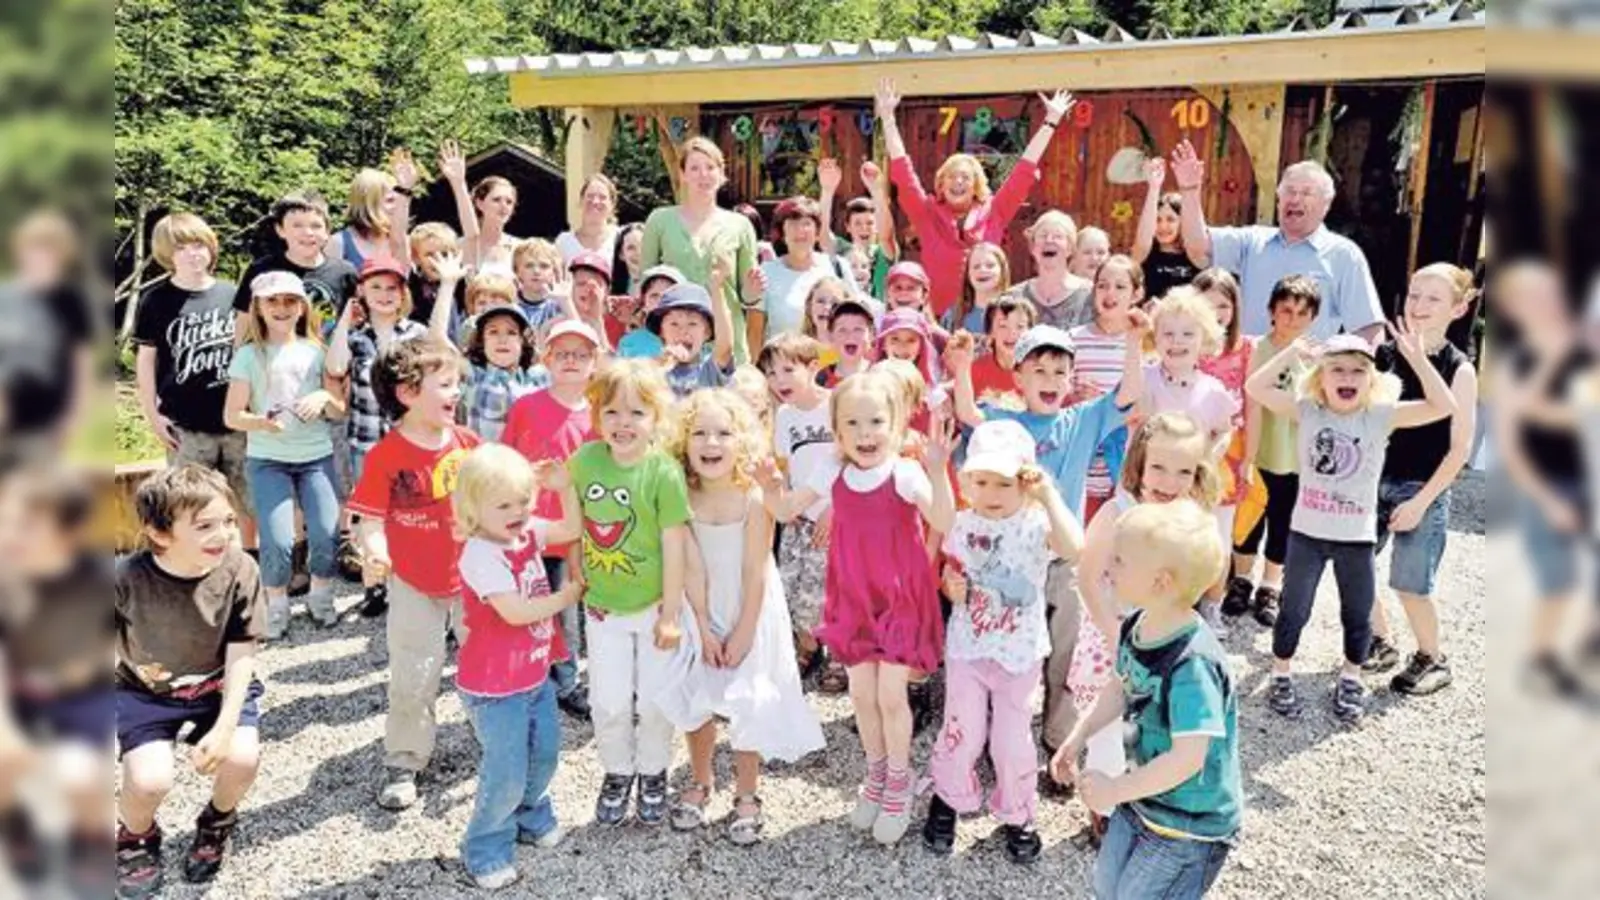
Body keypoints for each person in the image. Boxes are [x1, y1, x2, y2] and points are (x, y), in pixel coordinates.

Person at [755, 370, 957, 846]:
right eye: (853, 423)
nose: (866, 434)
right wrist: (769, 486)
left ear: (896, 423)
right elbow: (785, 510)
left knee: (890, 696)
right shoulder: (832, 470)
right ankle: (877, 773)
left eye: (876, 422)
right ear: (837, 430)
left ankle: (900, 781)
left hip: (899, 599)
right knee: (861, 695)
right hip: (853, 598)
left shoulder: (904, 473)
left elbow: (943, 519)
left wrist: (937, 471)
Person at [948, 319, 1147, 782]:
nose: (1051, 380)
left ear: (1071, 378)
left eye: (1060, 372)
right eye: (1039, 371)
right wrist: (961, 367)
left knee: (1065, 651)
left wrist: (1135, 341)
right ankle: (997, 733)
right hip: (1013, 560)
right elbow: (969, 414)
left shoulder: (1081, 419)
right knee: (1004, 644)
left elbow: (1128, 394)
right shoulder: (1006, 423)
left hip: (1063, 559)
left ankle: (1058, 739)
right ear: (1018, 376)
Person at [1245, 327, 1457, 722]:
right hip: (1306, 534)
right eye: (1337, 369)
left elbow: (1443, 405)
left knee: (1358, 614)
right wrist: (1292, 352)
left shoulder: (1379, 416)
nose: (1347, 377)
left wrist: (1418, 360)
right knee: (1293, 610)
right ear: (1320, 378)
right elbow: (1255, 386)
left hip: (1356, 538)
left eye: (1358, 371)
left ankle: (1351, 676)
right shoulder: (1308, 410)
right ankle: (1280, 672)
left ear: (1371, 380)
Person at [1050, 500, 1241, 900]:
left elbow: (1187, 759)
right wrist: (1078, 736)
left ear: (1161, 582)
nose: (1108, 567)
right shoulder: (1137, 625)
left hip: (1186, 827)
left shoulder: (1192, 666)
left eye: (1120, 560)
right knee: (1107, 886)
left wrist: (1116, 790)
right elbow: (1121, 686)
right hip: (1141, 797)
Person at [659, 390, 825, 845]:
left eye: (724, 433)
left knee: (748, 697)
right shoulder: (679, 492)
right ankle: (701, 779)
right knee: (695, 694)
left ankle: (747, 790)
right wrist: (700, 624)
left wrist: (745, 629)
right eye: (699, 433)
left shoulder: (751, 497)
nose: (711, 442)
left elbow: (756, 569)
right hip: (697, 603)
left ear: (742, 441)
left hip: (748, 606)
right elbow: (685, 563)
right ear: (683, 440)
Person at [922, 420, 1082, 864]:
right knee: (963, 730)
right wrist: (950, 586)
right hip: (969, 648)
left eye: (1004, 483)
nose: (991, 493)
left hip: (1019, 654)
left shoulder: (1035, 524)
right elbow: (941, 528)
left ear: (1025, 482)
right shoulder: (963, 521)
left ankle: (1018, 810)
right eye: (981, 481)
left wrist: (1049, 495)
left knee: (1012, 741)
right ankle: (948, 796)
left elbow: (1075, 547)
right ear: (967, 481)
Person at [1067, 413, 1223, 842]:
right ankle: (1103, 812)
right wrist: (1113, 633)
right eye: (1158, 467)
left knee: (1152, 724)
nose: (1169, 482)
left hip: (1163, 638)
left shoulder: (1191, 520)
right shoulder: (1117, 512)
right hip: (1112, 634)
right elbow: (1087, 579)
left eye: (1183, 471)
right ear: (1139, 463)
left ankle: (1141, 799)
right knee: (1107, 728)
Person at [114, 467, 266, 898]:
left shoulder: (240, 569)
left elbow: (242, 652)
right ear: (159, 533)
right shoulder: (125, 580)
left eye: (229, 521)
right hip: (145, 693)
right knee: (149, 781)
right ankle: (135, 835)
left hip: (217, 688)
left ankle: (218, 820)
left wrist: (225, 727)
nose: (224, 534)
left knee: (242, 759)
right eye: (204, 526)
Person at [347, 337, 481, 810]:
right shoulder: (386, 456)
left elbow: (497, 489)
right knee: (413, 673)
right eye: (445, 384)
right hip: (412, 582)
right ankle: (405, 758)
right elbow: (370, 521)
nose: (456, 392)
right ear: (407, 393)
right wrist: (376, 553)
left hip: (472, 578)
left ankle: (496, 739)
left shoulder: (468, 443)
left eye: (457, 382)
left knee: (484, 664)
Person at [451, 444, 583, 889]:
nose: (517, 512)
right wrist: (565, 598)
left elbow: (570, 528)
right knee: (506, 769)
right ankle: (485, 848)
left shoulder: (525, 532)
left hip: (533, 676)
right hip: (493, 688)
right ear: (474, 508)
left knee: (544, 753)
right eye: (503, 505)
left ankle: (531, 816)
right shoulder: (480, 554)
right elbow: (516, 612)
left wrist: (565, 489)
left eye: (523, 501)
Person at [567, 361, 691, 827]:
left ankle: (654, 770)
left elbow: (674, 545)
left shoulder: (663, 471)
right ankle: (618, 769)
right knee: (609, 700)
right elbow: (572, 518)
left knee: (656, 700)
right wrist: (575, 569)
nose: (623, 423)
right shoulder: (585, 461)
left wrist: (671, 613)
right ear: (596, 415)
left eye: (637, 412)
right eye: (612, 412)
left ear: (656, 418)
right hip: (603, 607)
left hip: (655, 605)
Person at [1362, 264, 1479, 695]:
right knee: (1356, 567)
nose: (1420, 305)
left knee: (1411, 584)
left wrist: (1420, 502)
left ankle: (1432, 656)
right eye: (1415, 295)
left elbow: (1459, 450)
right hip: (1373, 480)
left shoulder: (1459, 369)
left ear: (1458, 309)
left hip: (1421, 487)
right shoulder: (1383, 356)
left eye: (1434, 298)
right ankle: (1380, 639)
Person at [0, 463, 115, 897]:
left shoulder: (97, 580)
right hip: (19, 692)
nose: (11, 533)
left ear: (69, 533)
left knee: (80, 776)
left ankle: (89, 839)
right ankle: (15, 824)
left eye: (26, 524)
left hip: (82, 698)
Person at [876, 76, 1075, 317]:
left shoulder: (994, 211)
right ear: (941, 185)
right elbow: (902, 170)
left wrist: (1050, 121)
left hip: (989, 319)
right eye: (951, 177)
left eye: (965, 178)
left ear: (976, 186)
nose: (958, 182)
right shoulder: (926, 213)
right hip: (937, 320)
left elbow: (1024, 169)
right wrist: (888, 119)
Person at [1490, 262, 1596, 698]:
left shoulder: (1584, 352)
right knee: (1558, 581)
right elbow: (1510, 442)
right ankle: (1542, 659)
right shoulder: (1517, 363)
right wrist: (1547, 498)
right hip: (1547, 487)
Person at [224, 272, 343, 638]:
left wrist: (323, 397)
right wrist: (261, 422)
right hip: (268, 460)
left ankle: (321, 594)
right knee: (276, 540)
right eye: (272, 301)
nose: (281, 308)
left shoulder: (317, 351)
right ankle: (276, 603)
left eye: (290, 301)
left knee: (325, 532)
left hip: (316, 456)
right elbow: (232, 415)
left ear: (302, 307)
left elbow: (339, 409)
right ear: (258, 308)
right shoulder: (248, 355)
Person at [1170, 140, 1384, 342]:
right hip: (1252, 365)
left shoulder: (1344, 255)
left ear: (1326, 204)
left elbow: (1368, 328)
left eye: (1306, 193)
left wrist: (1355, 365)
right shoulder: (1252, 242)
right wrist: (1190, 191)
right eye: (1289, 191)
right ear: (1279, 199)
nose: (1295, 199)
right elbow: (1198, 248)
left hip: (1308, 367)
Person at [326, 255, 441, 618]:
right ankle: (374, 585)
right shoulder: (357, 339)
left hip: (410, 441)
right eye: (375, 287)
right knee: (371, 516)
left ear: (403, 292)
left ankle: (416, 581)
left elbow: (439, 356)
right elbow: (335, 367)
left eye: (392, 287)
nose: (385, 294)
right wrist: (346, 316)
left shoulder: (415, 334)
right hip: (367, 442)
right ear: (362, 291)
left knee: (415, 512)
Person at [502, 320, 605, 721]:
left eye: (581, 354)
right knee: (536, 603)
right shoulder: (526, 406)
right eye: (562, 354)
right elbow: (507, 460)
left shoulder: (600, 414)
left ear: (594, 362)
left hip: (580, 531)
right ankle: (544, 677)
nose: (571, 361)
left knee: (572, 609)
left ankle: (568, 679)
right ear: (546, 359)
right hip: (531, 528)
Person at [134, 213, 251, 538]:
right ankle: (195, 560)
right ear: (166, 254)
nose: (192, 254)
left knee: (248, 501)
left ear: (211, 247)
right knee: (189, 504)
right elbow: (146, 361)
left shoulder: (232, 294)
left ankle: (249, 557)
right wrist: (153, 415)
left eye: (199, 245)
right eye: (181, 248)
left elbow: (251, 353)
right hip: (186, 425)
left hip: (237, 420)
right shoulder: (156, 301)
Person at [1138, 287, 1241, 631]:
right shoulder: (1145, 377)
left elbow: (1225, 430)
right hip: (1152, 484)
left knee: (1197, 549)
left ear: (1204, 338)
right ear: (1155, 337)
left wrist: (1208, 457)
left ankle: (1204, 609)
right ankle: (1148, 611)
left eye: (1187, 333)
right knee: (1152, 547)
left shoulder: (1212, 390)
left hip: (1193, 486)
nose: (1177, 341)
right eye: (1168, 333)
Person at [1223, 275, 1321, 627]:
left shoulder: (1317, 360)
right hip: (1256, 451)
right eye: (1286, 310)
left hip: (1294, 459)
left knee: (1283, 523)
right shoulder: (1256, 349)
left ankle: (1270, 585)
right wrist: (1246, 457)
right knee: (1248, 520)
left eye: (1302, 313)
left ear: (1313, 318)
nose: (1293, 319)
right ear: (1271, 311)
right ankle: (1241, 580)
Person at [759, 334, 840, 691]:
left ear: (813, 367)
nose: (779, 380)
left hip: (835, 516)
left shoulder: (836, 405)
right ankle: (807, 644)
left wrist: (835, 509)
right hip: (799, 518)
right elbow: (785, 461)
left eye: (788, 370)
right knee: (793, 584)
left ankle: (838, 653)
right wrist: (785, 499)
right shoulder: (785, 415)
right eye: (771, 373)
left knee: (831, 588)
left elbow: (853, 459)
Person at [640, 136, 761, 365]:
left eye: (710, 167)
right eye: (694, 168)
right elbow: (645, 283)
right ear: (683, 174)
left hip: (726, 343)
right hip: (675, 344)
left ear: (721, 174)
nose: (703, 175)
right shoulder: (659, 220)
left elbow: (747, 295)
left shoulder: (740, 225)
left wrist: (753, 290)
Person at [0, 210, 95, 451]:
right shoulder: (5, 298)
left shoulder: (71, 301)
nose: (40, 257)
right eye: (34, 248)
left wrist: (73, 416)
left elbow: (81, 362)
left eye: (50, 250)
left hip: (48, 420)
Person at [1068, 255, 1148, 521]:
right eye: (1102, 285)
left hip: (1124, 462)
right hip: (1085, 464)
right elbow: (1059, 396)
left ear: (1137, 294)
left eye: (1120, 286)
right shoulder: (1074, 340)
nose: (1109, 293)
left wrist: (1110, 406)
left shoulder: (1145, 343)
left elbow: (1147, 400)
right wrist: (1075, 397)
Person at [230, 190, 359, 342]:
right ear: (280, 230)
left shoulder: (345, 272)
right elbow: (244, 323)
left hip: (326, 353)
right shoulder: (261, 270)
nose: (308, 232)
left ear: (327, 232)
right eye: (297, 225)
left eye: (316, 226)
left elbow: (353, 323)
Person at [1195, 268, 1252, 539]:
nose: (1216, 313)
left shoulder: (1246, 348)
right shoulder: (1184, 347)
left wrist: (1249, 459)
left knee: (1221, 531)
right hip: (1192, 444)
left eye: (1223, 306)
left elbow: (1253, 407)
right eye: (1207, 305)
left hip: (1230, 448)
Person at [444, 304, 546, 443]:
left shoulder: (537, 379)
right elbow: (437, 342)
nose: (502, 340)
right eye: (493, 332)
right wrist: (446, 291)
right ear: (482, 341)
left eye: (511, 332)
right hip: (480, 456)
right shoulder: (471, 375)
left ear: (522, 341)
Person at [750, 195, 840, 344]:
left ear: (817, 232)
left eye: (806, 224)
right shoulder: (766, 273)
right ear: (782, 233)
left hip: (825, 357)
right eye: (792, 224)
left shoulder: (833, 267)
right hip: (780, 357)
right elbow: (754, 334)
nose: (800, 230)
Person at [647, 277, 735, 400]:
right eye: (674, 324)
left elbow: (725, 349)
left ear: (707, 332)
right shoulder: (651, 372)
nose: (683, 331)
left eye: (692, 324)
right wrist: (662, 363)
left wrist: (717, 289)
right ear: (661, 331)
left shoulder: (708, 371)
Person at [821, 159, 898, 300]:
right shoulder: (842, 249)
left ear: (877, 226)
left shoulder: (882, 253)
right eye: (857, 223)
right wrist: (827, 191)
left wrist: (877, 191)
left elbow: (887, 237)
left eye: (870, 223)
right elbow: (823, 236)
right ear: (848, 227)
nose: (864, 228)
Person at [1006, 211, 1094, 330]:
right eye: (1043, 235)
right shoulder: (1014, 297)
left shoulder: (1089, 295)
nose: (1049, 240)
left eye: (1058, 236)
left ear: (1070, 248)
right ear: (1033, 247)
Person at [326, 153, 416, 269]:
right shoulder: (339, 243)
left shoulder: (405, 243)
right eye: (390, 200)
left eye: (399, 200)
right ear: (367, 205)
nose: (397, 207)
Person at [442, 137, 521, 269]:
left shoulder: (520, 248)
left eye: (509, 201)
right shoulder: (463, 246)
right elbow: (470, 232)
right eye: (496, 200)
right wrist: (458, 182)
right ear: (479, 203)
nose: (503, 205)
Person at [1132, 157, 1203, 303]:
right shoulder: (1146, 253)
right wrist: (1154, 187)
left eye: (1170, 219)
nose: (1162, 226)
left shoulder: (1195, 255)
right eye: (1158, 220)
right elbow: (1142, 243)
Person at [968, 296, 1038, 411]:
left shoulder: (1040, 370)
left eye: (1020, 326)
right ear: (990, 332)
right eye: (1003, 326)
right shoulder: (975, 370)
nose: (1012, 333)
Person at [942, 242, 1011, 339]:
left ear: (1002, 271)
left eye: (990, 265)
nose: (982, 270)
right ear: (968, 274)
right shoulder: (953, 316)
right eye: (976, 266)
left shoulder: (1016, 312)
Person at [617, 265, 685, 360]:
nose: (660, 301)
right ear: (644, 302)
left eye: (668, 295)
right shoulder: (629, 343)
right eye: (654, 296)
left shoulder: (691, 340)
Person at [556, 173, 621, 266]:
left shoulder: (621, 239)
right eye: (590, 196)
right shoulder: (564, 242)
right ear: (581, 201)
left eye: (602, 197)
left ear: (612, 204)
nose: (595, 201)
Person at [511, 238, 571, 338]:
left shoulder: (561, 305)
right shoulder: (510, 304)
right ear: (517, 271)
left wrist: (566, 302)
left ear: (554, 272)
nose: (536, 271)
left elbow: (580, 336)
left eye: (544, 266)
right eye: (529, 265)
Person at [817, 297, 876, 388]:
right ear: (830, 336)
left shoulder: (881, 376)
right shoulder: (819, 380)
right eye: (842, 330)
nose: (850, 335)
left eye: (858, 329)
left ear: (871, 335)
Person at [611, 222, 645, 297]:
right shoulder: (613, 291)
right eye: (631, 248)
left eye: (644, 246)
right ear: (621, 255)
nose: (639, 253)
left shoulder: (667, 287)